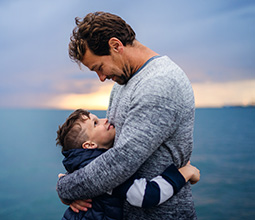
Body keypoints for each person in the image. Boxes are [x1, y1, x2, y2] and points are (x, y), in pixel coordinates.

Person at [57, 11, 198, 219]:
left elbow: (119, 163)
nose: (102, 78)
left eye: (99, 67)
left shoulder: (159, 84)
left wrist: (66, 188)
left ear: (116, 45)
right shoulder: (123, 82)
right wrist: (82, 191)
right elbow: (105, 154)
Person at [56, 109, 200, 220]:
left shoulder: (81, 164)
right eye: (95, 123)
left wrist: (68, 193)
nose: (105, 120)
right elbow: (146, 195)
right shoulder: (106, 170)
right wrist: (185, 173)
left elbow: (67, 179)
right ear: (89, 145)